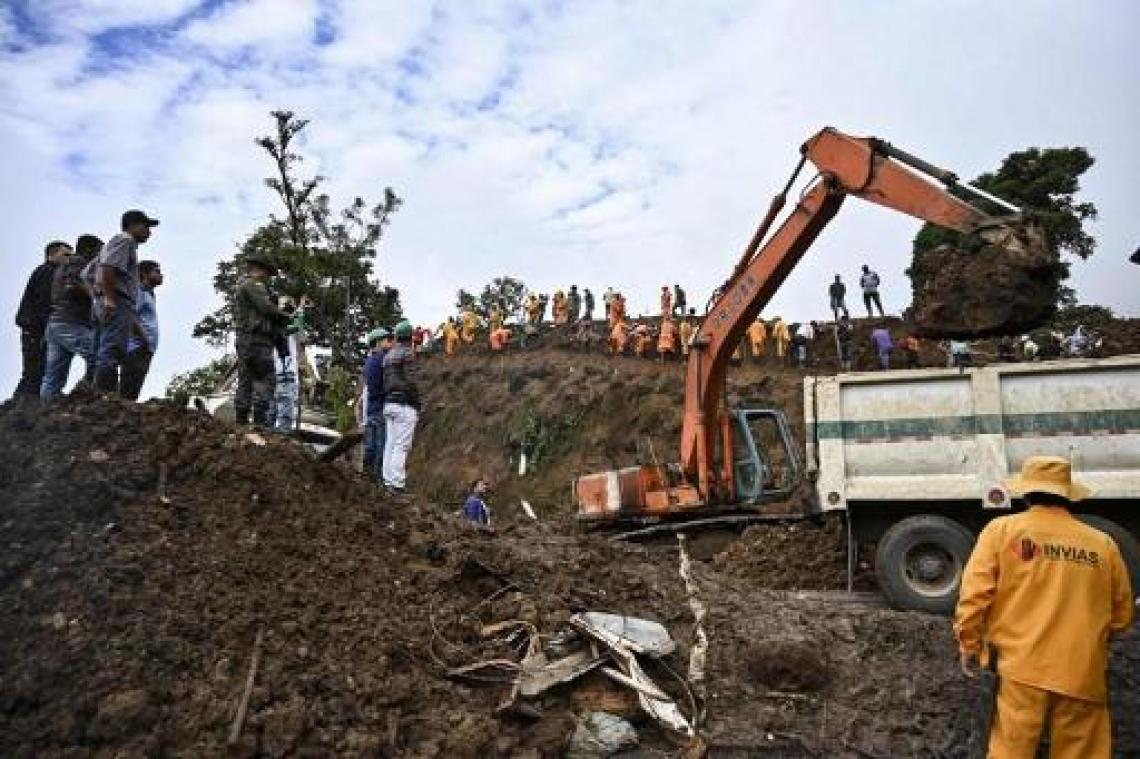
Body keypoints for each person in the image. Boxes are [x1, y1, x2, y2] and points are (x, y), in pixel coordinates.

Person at [954, 456, 1133, 759]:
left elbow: (974, 596)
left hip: (1020, 668)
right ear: (1067, 495)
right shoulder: (1103, 544)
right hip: (1082, 671)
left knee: (1011, 751)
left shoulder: (1001, 531)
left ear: (1026, 492)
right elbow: (1122, 615)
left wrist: (969, 643)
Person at [92, 210, 158, 394]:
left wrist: (98, 291)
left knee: (104, 349)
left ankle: (99, 395)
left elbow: (88, 273)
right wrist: (110, 298)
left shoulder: (113, 244)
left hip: (110, 301)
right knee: (112, 350)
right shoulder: (125, 240)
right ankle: (105, 397)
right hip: (119, 301)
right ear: (133, 225)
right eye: (146, 226)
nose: (149, 232)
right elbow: (108, 267)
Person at [40, 236, 100, 402]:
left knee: (54, 375)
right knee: (98, 355)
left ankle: (46, 410)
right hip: (70, 324)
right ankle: (85, 390)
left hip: (57, 324)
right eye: (99, 251)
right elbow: (72, 283)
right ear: (89, 250)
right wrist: (95, 296)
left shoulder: (67, 264)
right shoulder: (78, 261)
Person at [233, 255, 289, 427]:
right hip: (257, 340)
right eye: (267, 272)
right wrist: (287, 316)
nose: (268, 277)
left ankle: (241, 423)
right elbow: (267, 308)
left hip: (247, 340)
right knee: (266, 379)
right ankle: (259, 423)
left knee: (246, 379)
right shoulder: (253, 285)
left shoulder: (244, 285)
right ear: (258, 269)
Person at [15, 240, 73, 398]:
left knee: (39, 372)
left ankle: (24, 409)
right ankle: (19, 409)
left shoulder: (52, 273)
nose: (70, 259)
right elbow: (44, 304)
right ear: (51, 255)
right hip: (35, 331)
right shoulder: (48, 272)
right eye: (65, 255)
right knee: (34, 373)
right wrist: (44, 332)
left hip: (38, 330)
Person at [382, 320, 420, 498]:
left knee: (390, 443)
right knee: (402, 445)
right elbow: (411, 382)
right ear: (411, 336)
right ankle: (397, 484)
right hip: (404, 404)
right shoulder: (408, 353)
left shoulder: (388, 355)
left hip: (388, 403)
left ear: (396, 336)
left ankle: (388, 480)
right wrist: (416, 404)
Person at [118, 260, 162, 401]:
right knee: (128, 388)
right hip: (136, 347)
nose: (162, 275)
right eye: (157, 271)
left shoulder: (149, 294)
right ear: (144, 274)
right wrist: (143, 339)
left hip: (145, 348)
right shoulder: (139, 291)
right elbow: (129, 315)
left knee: (135, 388)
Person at [361, 327, 392, 483]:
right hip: (381, 408)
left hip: (371, 411)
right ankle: (378, 480)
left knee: (370, 447)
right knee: (382, 446)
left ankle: (366, 477)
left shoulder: (368, 362)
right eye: (387, 340)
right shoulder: (383, 360)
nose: (390, 342)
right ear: (379, 342)